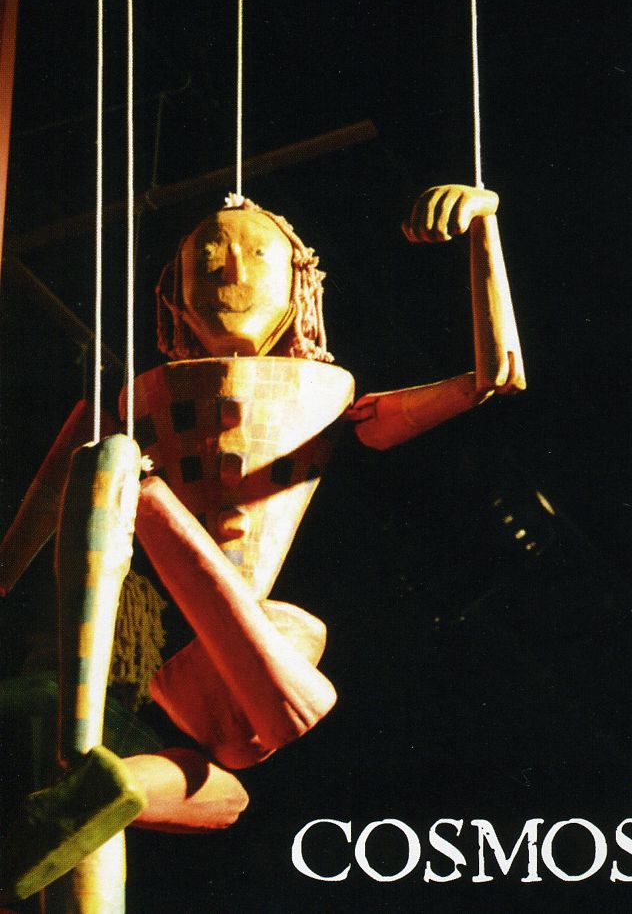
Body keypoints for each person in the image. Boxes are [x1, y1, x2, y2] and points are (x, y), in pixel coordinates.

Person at [0, 183, 525, 903]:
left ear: (300, 282)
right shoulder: (131, 399)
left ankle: (99, 785)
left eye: (256, 254)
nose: (231, 271)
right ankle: (91, 770)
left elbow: (495, 376)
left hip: (223, 667)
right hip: (194, 650)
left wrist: (484, 227)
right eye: (207, 259)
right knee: (283, 663)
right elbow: (26, 537)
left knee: (227, 792)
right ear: (173, 294)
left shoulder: (333, 399)